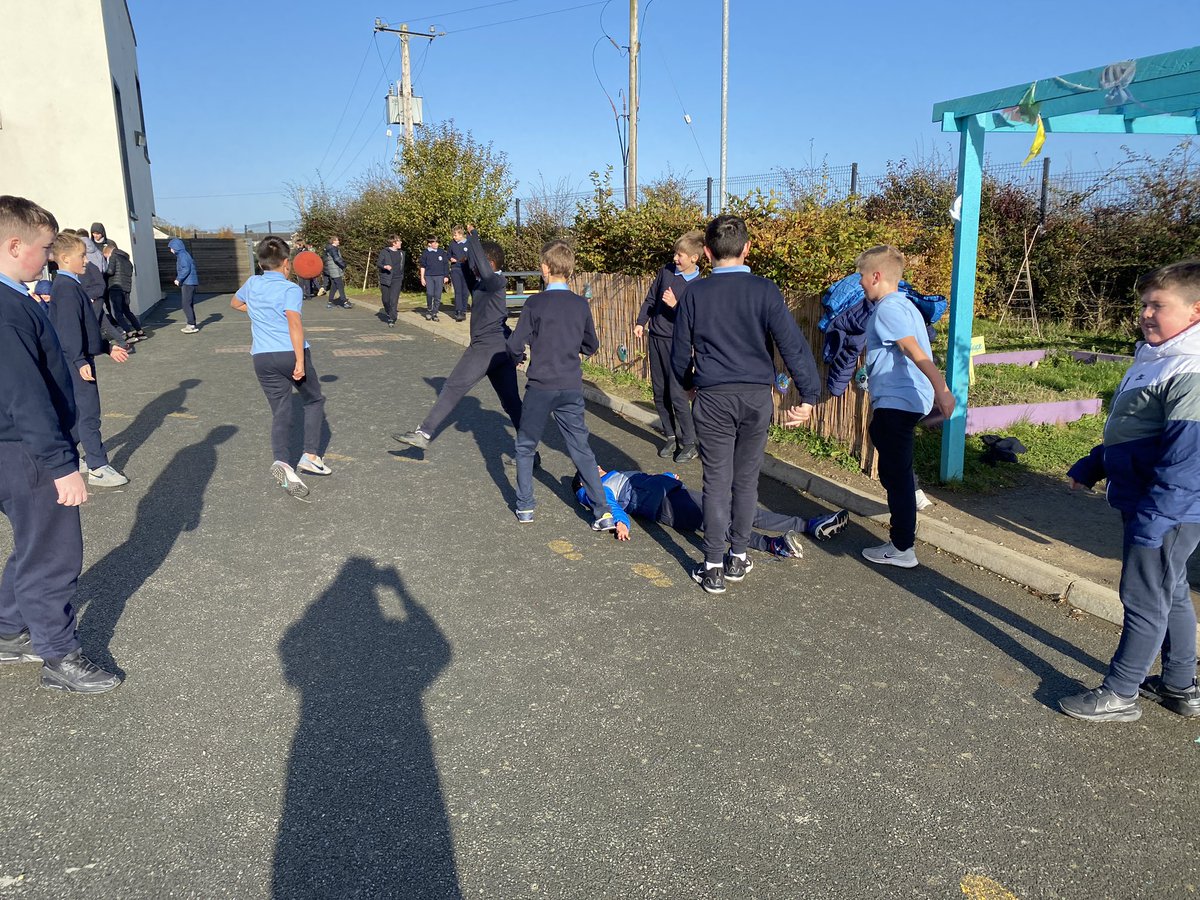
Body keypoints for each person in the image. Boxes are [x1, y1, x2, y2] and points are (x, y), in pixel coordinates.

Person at [1059, 259, 1200, 723]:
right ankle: (1180, 686)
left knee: (1142, 595)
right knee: (1170, 590)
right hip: (1150, 502)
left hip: (1165, 509)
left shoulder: (1190, 369)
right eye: (1143, 305)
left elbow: (1187, 459)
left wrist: (1154, 520)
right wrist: (1096, 462)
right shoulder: (1155, 359)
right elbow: (1134, 431)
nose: (1145, 313)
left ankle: (1120, 694)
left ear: (1196, 311)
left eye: (1157, 305)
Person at [0, 195, 121, 693]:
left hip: (13, 447)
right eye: (46, 248)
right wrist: (60, 464)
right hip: (26, 449)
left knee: (33, 544)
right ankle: (59, 655)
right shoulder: (8, 308)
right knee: (53, 552)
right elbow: (24, 393)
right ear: (13, 245)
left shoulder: (16, 299)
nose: (49, 257)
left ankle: (7, 631)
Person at [671, 214, 821, 594]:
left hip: (714, 398)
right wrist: (810, 395)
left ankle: (713, 565)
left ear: (706, 253)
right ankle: (738, 555)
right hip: (756, 397)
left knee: (716, 481)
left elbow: (677, 355)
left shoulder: (695, 295)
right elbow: (792, 345)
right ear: (747, 248)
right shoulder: (765, 291)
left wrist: (689, 384)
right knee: (746, 478)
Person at [856, 245, 955, 569]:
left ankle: (902, 548)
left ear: (876, 276)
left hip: (898, 401)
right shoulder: (906, 305)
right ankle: (910, 497)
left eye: (861, 277)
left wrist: (943, 390)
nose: (860, 284)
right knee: (890, 457)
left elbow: (913, 350)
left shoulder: (887, 309)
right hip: (904, 400)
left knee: (895, 473)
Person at [506, 240, 614, 531]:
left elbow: (515, 343)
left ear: (544, 268)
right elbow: (591, 344)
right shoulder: (580, 304)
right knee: (580, 447)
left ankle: (525, 506)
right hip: (570, 385)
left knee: (526, 446)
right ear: (570, 269)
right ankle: (602, 512)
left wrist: (519, 357)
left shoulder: (535, 303)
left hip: (540, 386)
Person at [394, 225, 523, 452]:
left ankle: (423, 433)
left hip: (486, 348)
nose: (476, 266)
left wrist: (473, 237)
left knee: (453, 386)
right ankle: (530, 453)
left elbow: (482, 269)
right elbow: (470, 278)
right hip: (500, 349)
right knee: (512, 404)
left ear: (489, 264)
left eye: (479, 262)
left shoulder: (496, 282)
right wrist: (463, 264)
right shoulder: (484, 285)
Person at [231, 236, 332, 500]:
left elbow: (235, 303)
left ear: (261, 262)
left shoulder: (252, 283)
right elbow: (294, 324)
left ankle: (282, 461)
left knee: (281, 409)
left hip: (262, 357)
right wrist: (299, 360)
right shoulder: (291, 289)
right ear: (287, 263)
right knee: (313, 400)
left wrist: (259, 314)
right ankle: (310, 456)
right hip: (289, 352)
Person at [574, 466, 849, 554]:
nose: (598, 467)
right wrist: (622, 523)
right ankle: (783, 538)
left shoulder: (612, 476)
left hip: (672, 494)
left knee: (733, 514)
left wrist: (669, 475)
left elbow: (646, 479)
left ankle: (798, 530)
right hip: (665, 506)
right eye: (592, 469)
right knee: (726, 521)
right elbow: (609, 506)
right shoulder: (599, 488)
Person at [48, 231, 131, 488]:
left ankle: (71, 459)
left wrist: (106, 347)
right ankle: (97, 466)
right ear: (64, 258)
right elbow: (69, 329)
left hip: (77, 358)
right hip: (76, 361)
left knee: (78, 413)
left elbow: (88, 327)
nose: (86, 260)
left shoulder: (71, 285)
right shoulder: (66, 288)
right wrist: (80, 361)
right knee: (89, 414)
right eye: (81, 256)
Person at [635, 229, 703, 463]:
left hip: (679, 345)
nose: (675, 258)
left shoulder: (699, 285)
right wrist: (641, 322)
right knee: (659, 391)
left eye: (680, 255)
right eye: (675, 254)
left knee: (678, 394)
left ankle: (690, 442)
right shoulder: (666, 271)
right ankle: (671, 435)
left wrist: (676, 305)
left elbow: (696, 321)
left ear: (694, 258)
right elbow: (651, 298)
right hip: (656, 338)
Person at [102, 239, 145, 343]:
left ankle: (128, 334)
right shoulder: (126, 259)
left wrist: (103, 275)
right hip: (127, 288)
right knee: (127, 311)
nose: (107, 258)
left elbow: (111, 271)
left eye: (106, 256)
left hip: (116, 287)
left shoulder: (113, 256)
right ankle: (140, 332)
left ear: (108, 252)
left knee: (118, 313)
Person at [168, 236, 200, 333]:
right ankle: (192, 324)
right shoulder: (184, 254)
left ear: (176, 247)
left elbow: (186, 268)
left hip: (188, 283)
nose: (170, 250)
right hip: (190, 282)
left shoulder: (182, 256)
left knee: (185, 304)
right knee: (188, 304)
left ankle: (191, 325)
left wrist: (178, 279)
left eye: (171, 247)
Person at [419, 236, 449, 322]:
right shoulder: (425, 253)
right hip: (429, 276)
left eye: (437, 242)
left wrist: (446, 276)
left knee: (437, 295)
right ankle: (429, 310)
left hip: (440, 276)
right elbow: (422, 266)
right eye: (434, 243)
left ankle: (435, 312)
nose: (437, 244)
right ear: (429, 244)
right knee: (429, 294)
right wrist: (422, 278)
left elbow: (445, 264)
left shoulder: (441, 252)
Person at [377, 234, 405, 327]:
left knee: (394, 299)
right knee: (386, 300)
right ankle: (388, 311)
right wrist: (385, 266)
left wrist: (401, 276)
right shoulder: (385, 252)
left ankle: (392, 318)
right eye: (399, 241)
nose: (401, 242)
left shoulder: (402, 253)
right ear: (394, 243)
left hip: (397, 279)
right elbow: (379, 263)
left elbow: (402, 266)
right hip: (386, 278)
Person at [448, 226, 470, 322]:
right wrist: (451, 258)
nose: (454, 237)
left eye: (455, 235)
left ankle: (464, 310)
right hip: (456, 269)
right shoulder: (452, 244)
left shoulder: (468, 243)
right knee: (458, 291)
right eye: (453, 235)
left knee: (465, 291)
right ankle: (458, 311)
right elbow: (448, 254)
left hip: (466, 270)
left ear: (461, 234)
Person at [324, 236, 350, 309]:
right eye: (337, 240)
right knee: (340, 285)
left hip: (332, 269)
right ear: (333, 241)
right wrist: (344, 264)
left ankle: (330, 302)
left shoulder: (329, 248)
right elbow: (336, 259)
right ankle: (345, 302)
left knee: (334, 286)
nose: (338, 241)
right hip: (335, 269)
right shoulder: (333, 249)